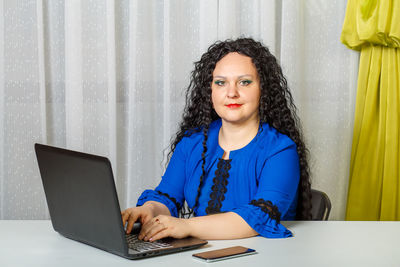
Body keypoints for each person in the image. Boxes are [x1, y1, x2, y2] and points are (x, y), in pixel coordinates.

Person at [121, 38, 312, 241]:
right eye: (221, 83)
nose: (232, 93)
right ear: (209, 90)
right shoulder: (192, 142)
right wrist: (150, 210)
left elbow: (257, 218)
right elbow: (167, 196)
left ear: (263, 89)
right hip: (200, 257)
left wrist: (185, 226)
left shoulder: (281, 150)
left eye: (244, 82)